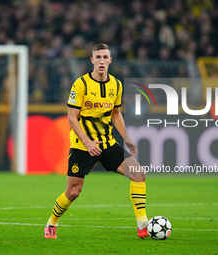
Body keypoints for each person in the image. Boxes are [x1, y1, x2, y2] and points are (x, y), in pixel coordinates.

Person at [44, 43, 148, 239]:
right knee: (73, 192)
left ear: (110, 60)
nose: (101, 61)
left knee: (138, 174)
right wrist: (87, 142)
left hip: (107, 143)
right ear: (92, 60)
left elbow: (116, 113)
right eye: (98, 57)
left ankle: (143, 225)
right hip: (82, 145)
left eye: (105, 57)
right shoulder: (81, 84)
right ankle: (52, 223)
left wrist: (126, 138)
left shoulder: (116, 85)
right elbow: (71, 117)